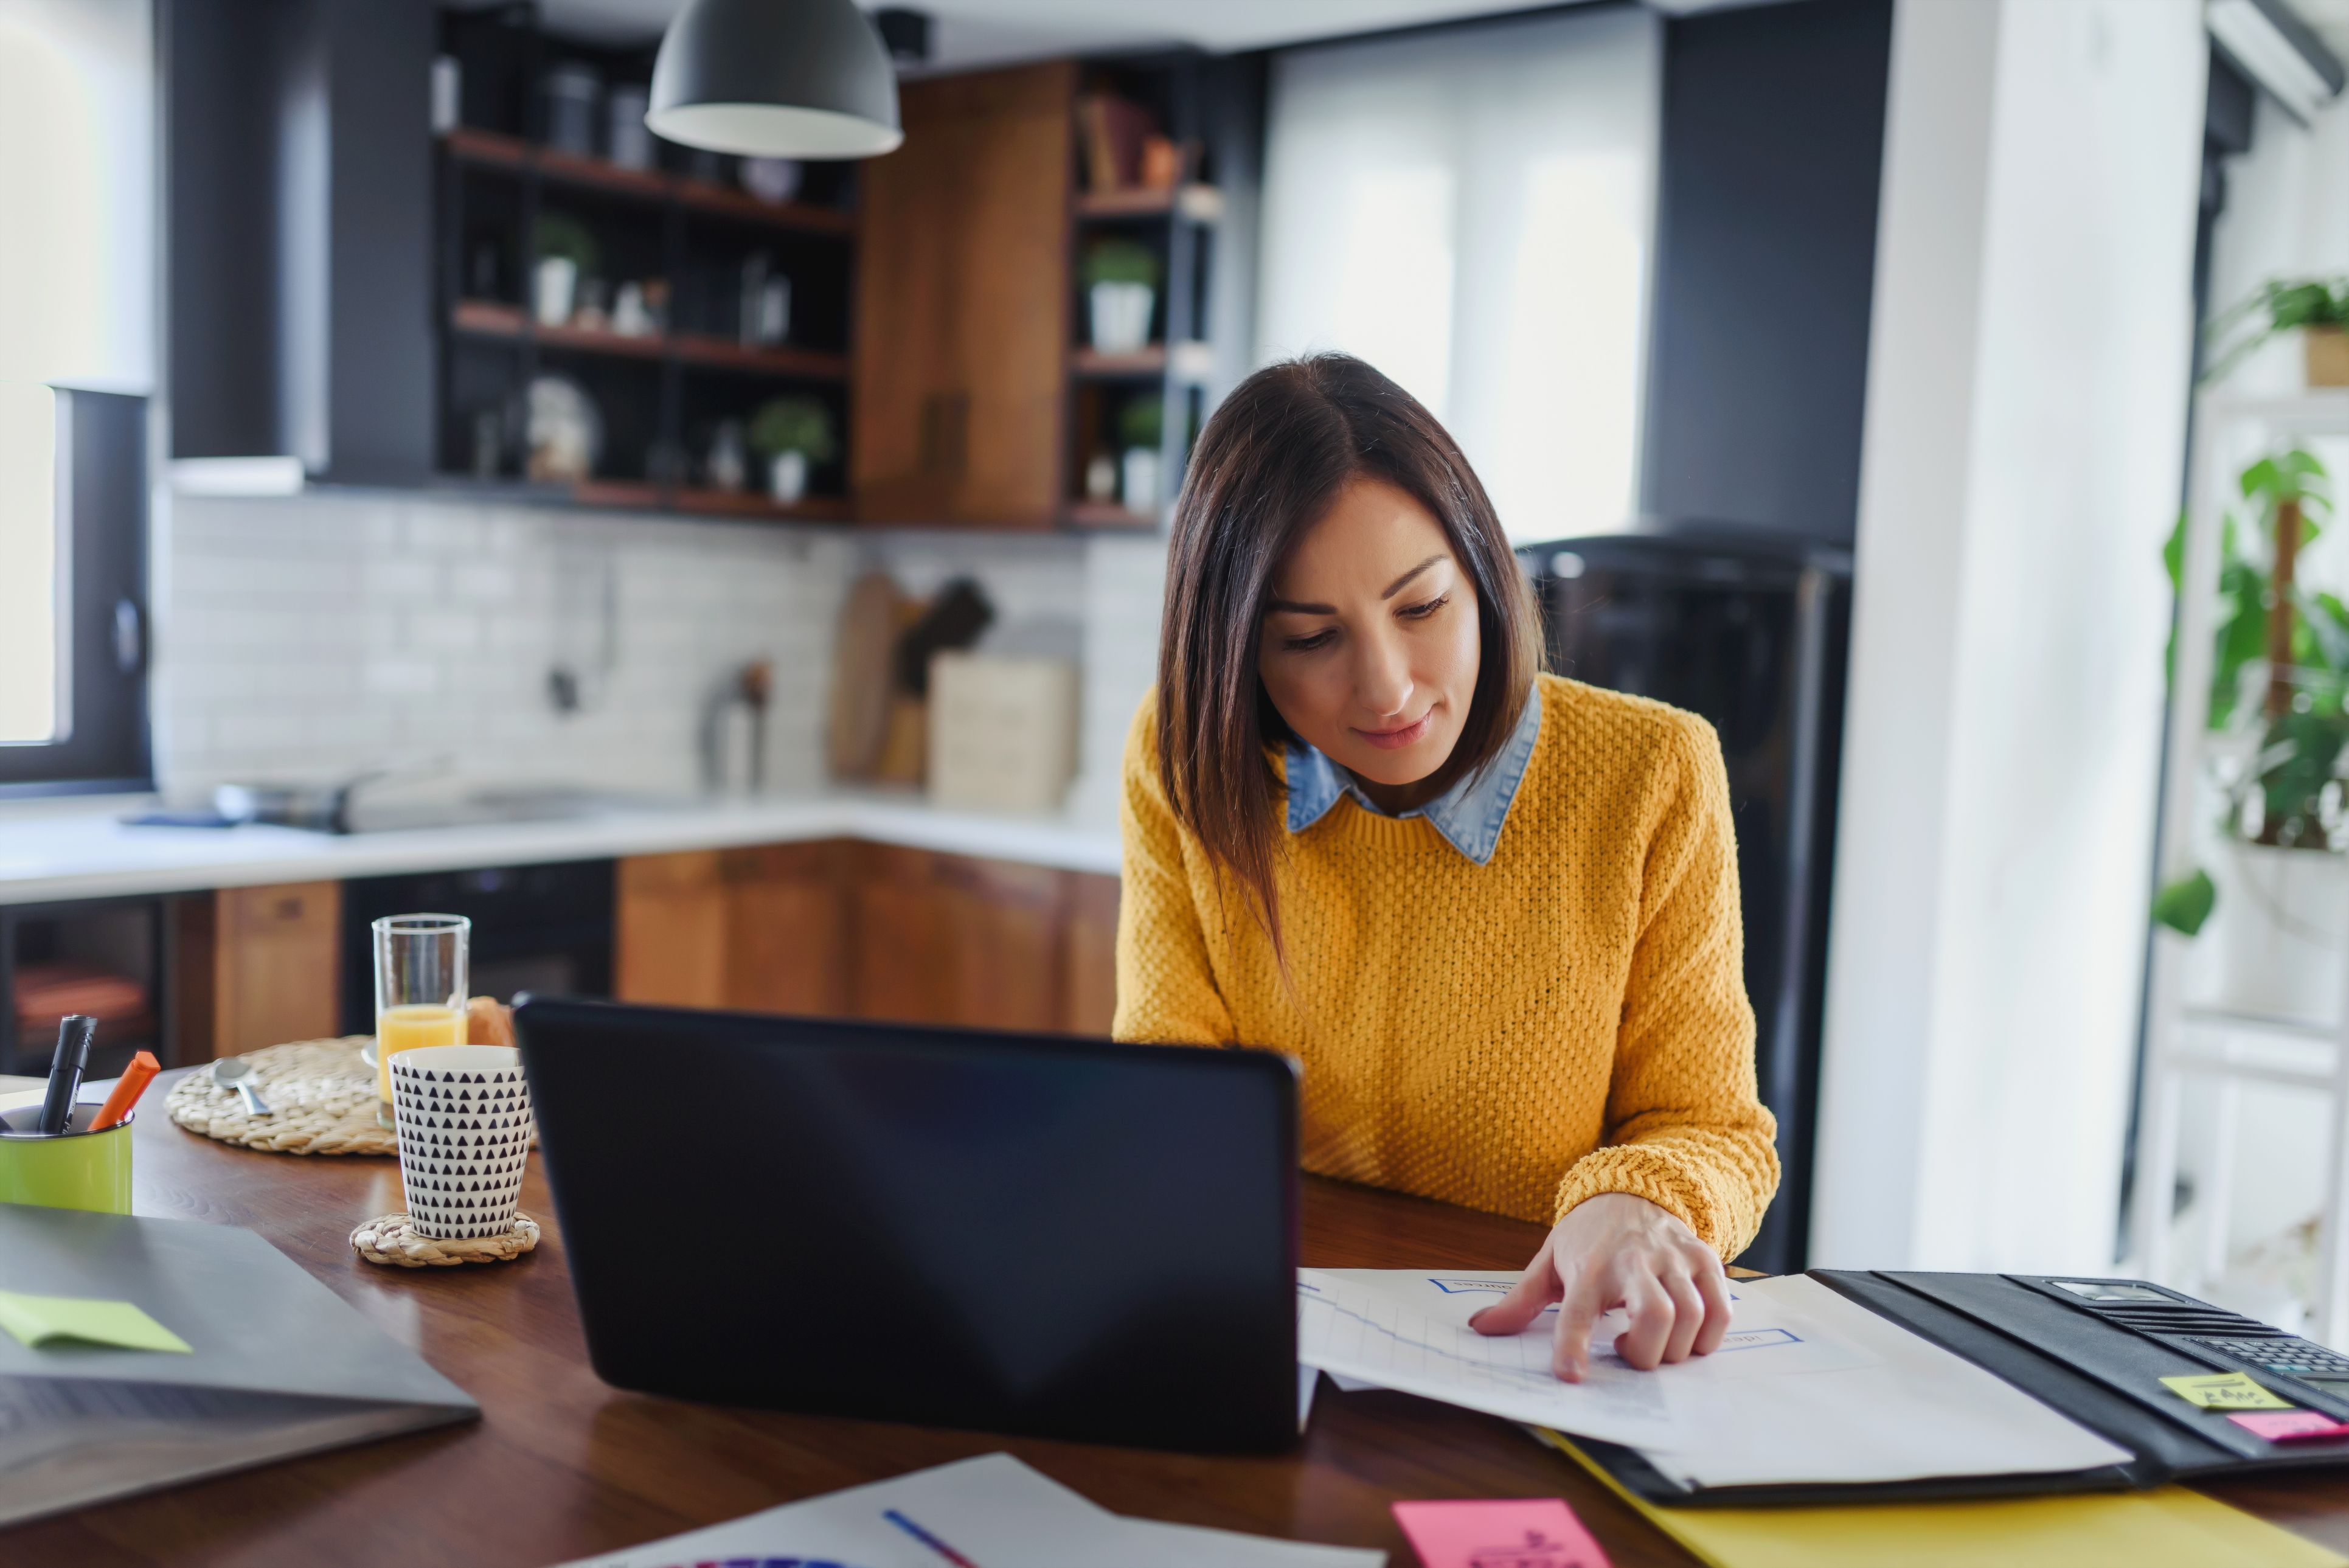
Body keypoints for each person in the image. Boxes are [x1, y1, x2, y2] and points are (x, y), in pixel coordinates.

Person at [1115, 353, 1778, 1381]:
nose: (1385, 687)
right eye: (1308, 638)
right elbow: (1170, 1094)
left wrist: (1638, 1198)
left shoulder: (1652, 772)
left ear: (1482, 571)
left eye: (1420, 608)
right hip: (1272, 1339)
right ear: (1239, 650)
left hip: (1551, 1360)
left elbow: (1714, 1128)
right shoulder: (1187, 761)